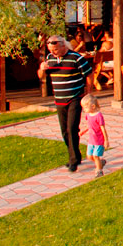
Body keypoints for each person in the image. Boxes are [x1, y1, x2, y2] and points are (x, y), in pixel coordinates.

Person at [38, 35, 93, 172]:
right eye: (51, 50)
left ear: (63, 45)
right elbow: (41, 76)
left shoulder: (76, 58)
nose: (53, 52)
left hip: (75, 97)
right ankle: (76, 155)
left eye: (55, 49)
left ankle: (73, 161)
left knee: (72, 128)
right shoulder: (50, 58)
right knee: (64, 131)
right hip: (59, 99)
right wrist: (42, 69)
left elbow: (89, 74)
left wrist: (88, 93)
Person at [79, 94, 110, 178]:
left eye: (85, 107)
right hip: (91, 140)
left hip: (99, 141)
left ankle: (99, 171)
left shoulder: (98, 116)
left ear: (93, 106)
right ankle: (100, 163)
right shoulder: (88, 115)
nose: (84, 109)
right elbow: (89, 125)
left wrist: (106, 140)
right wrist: (84, 131)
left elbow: (103, 129)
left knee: (96, 156)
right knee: (89, 156)